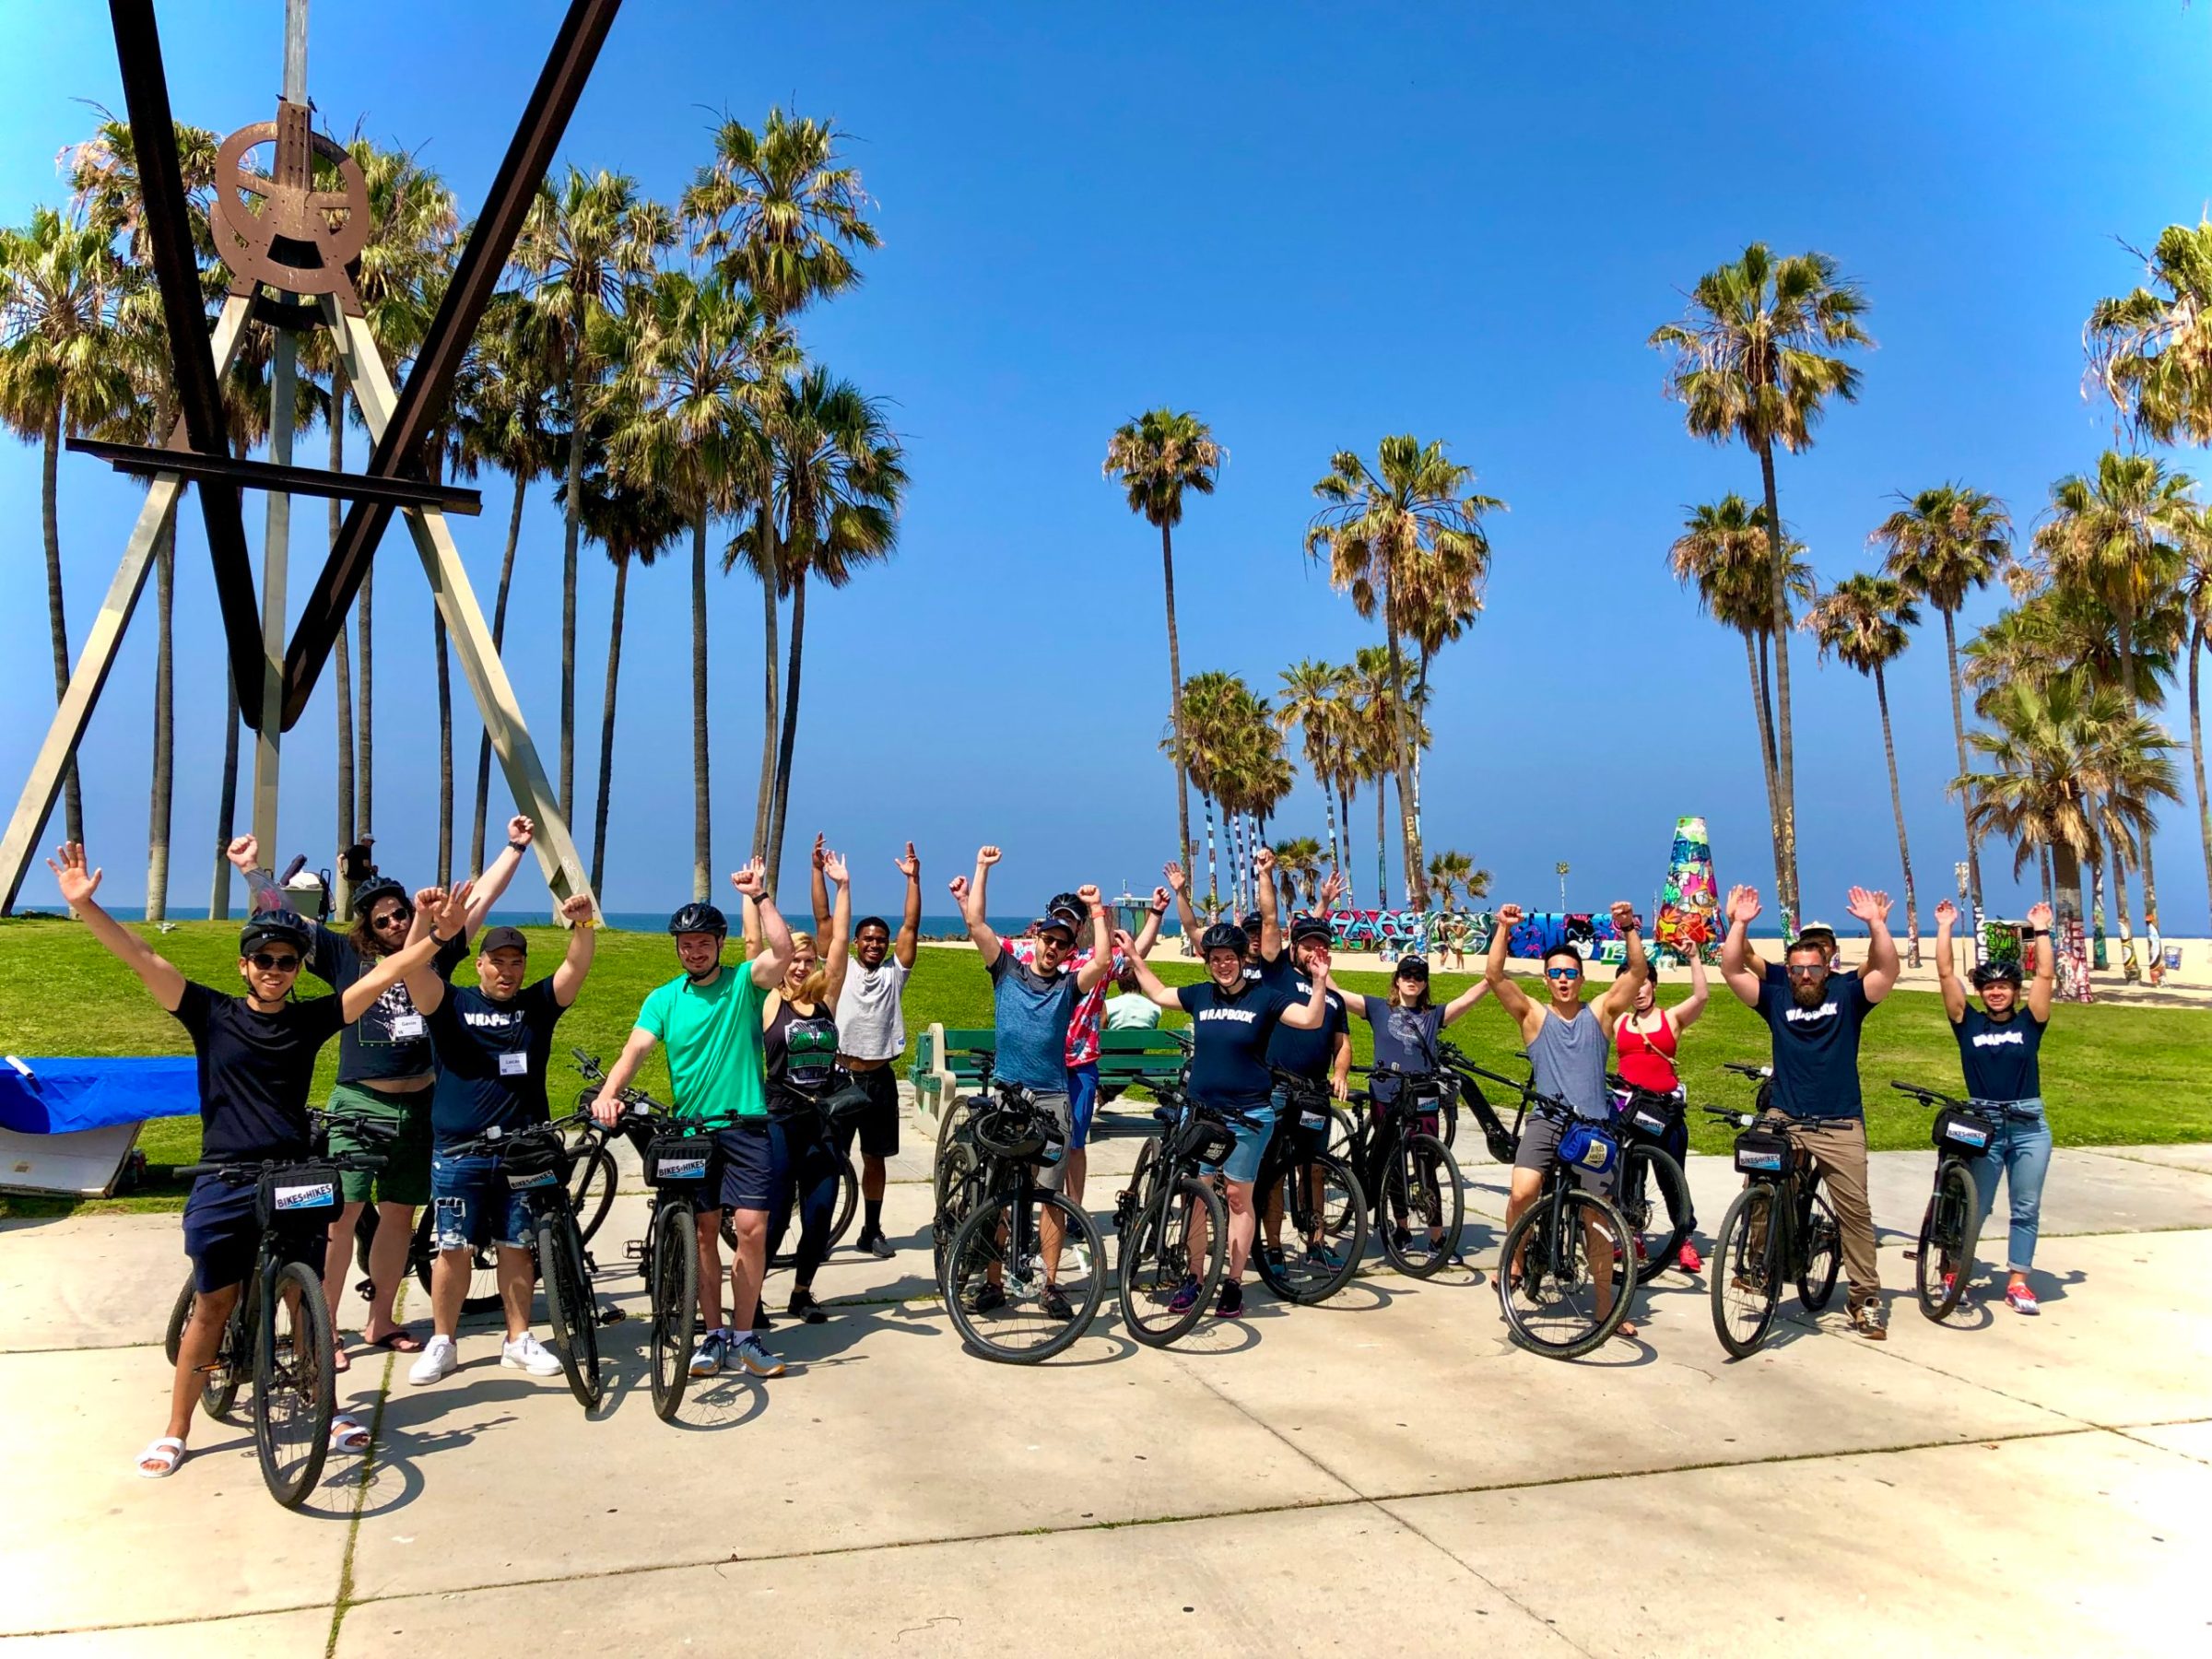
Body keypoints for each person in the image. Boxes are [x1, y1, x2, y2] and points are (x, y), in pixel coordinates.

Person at [45, 841, 460, 1478]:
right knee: (214, 1303)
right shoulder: (210, 1014)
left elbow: (381, 975)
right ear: (245, 967)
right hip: (225, 1175)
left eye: (286, 961)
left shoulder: (310, 1019)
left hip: (292, 1174)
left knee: (305, 1301)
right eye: (264, 960)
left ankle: (326, 1403)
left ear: (298, 968)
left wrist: (435, 936)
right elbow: (143, 956)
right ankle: (176, 1428)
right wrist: (86, 905)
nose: (275, 969)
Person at [224, 823, 535, 1368]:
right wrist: (251, 870)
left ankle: (382, 1319)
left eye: (399, 913)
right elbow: (286, 916)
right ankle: (323, 1326)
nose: (393, 923)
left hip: (423, 1105)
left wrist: (513, 848)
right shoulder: (344, 957)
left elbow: (480, 897)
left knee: (397, 1214)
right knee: (340, 1216)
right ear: (368, 925)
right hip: (360, 1102)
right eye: (382, 917)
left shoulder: (436, 950)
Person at [589, 863, 794, 1380]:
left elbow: (784, 952)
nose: (694, 950)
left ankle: (745, 1335)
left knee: (751, 1228)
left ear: (720, 943)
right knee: (702, 1233)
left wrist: (761, 896)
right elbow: (634, 1049)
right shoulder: (664, 998)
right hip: (690, 1132)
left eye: (703, 942)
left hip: (746, 1123)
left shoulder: (744, 983)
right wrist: (609, 1095)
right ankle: (712, 1335)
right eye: (685, 943)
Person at [399, 891, 600, 1385]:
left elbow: (574, 971)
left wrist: (583, 926)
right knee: (452, 1247)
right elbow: (410, 971)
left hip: (522, 1152)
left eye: (516, 963)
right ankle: (443, 1341)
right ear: (481, 964)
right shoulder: (451, 1001)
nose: (507, 972)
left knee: (517, 1244)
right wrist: (427, 924)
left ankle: (518, 1340)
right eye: (497, 962)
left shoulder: (535, 1007)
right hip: (458, 1150)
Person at [1118, 919, 1335, 1317]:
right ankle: (1195, 1277)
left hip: (1249, 1116)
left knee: (1238, 1198)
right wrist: (1134, 957)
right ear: (1208, 962)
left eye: (1229, 958)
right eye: (1215, 959)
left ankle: (1233, 1283)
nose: (1223, 965)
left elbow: (1310, 1020)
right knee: (1197, 1197)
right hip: (1204, 1114)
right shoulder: (1201, 996)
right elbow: (1161, 993)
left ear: (1240, 959)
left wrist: (1320, 981)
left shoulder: (1264, 998)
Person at [1719, 884, 1900, 1341]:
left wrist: (1877, 923)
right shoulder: (1776, 998)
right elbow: (1731, 968)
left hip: (1840, 1121)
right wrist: (1738, 921)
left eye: (1812, 968)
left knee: (1854, 1212)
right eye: (1796, 969)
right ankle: (1761, 1266)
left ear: (1826, 967)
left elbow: (1888, 970)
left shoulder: (1849, 997)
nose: (1803, 975)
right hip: (1786, 1116)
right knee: (1759, 1181)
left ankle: (1865, 1300)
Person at [950, 847, 1116, 1317]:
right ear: (1037, 936)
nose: (1053, 948)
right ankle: (994, 1281)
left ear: (1069, 950)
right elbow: (977, 923)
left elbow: (1103, 960)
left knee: (1050, 1195)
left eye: (1063, 943)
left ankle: (1047, 1286)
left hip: (1052, 1099)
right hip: (1007, 1095)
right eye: (1049, 938)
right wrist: (982, 870)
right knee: (1000, 1192)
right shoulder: (1006, 971)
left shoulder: (1069, 986)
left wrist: (1099, 910)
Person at [1485, 900, 1649, 1339]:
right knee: (1523, 1191)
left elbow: (1636, 973)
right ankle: (1515, 1257)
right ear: (1545, 978)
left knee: (1599, 1219)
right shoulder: (1534, 1015)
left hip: (1593, 1126)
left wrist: (1630, 927)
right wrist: (1503, 928)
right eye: (1555, 973)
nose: (1562, 979)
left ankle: (1603, 1309)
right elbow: (1495, 977)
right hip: (1548, 1120)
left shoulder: (1599, 1014)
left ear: (1582, 977)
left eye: (1570, 973)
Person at [994, 882, 1168, 1208]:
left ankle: (1070, 1209)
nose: (1063, 926)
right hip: (1037, 1068)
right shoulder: (1030, 952)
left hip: (1078, 1066)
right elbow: (991, 944)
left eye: (1071, 920)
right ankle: (1025, 1207)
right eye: (1057, 918)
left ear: (1081, 926)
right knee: (1029, 1143)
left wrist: (1156, 913)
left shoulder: (1093, 960)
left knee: (1073, 1143)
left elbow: (1135, 954)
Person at [1935, 899, 2056, 1314]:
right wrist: (1946, 926)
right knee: (1976, 1203)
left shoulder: (2030, 1021)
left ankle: (2019, 1280)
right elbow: (1946, 973)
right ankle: (1955, 1271)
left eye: (2004, 986)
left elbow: (2046, 973)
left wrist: (2041, 929)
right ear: (1982, 993)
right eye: (1989, 987)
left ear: (2015, 992)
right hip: (1984, 1121)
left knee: (2026, 1206)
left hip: (2028, 1122)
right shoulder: (1967, 1022)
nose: (1998, 991)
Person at [750, 846, 854, 1324]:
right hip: (778, 1120)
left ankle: (802, 1291)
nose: (799, 965)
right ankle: (751, 1302)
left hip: (822, 1123)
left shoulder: (825, 997)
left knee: (818, 1213)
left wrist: (843, 888)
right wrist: (755, 897)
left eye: (806, 958)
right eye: (794, 957)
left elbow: (840, 949)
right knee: (770, 1221)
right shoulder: (771, 1002)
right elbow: (756, 949)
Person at [822, 838, 922, 1258]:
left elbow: (911, 927)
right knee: (831, 1162)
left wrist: (914, 880)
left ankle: (871, 1229)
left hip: (880, 1080)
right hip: (841, 1077)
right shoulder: (840, 970)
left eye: (881, 939)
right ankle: (819, 1236)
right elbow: (825, 920)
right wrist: (819, 875)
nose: (876, 944)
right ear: (856, 943)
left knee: (875, 1160)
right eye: (868, 938)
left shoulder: (894, 976)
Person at [1611, 939, 1712, 1273]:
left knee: (1672, 1177)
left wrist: (1695, 957)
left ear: (1653, 983)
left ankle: (1684, 1240)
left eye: (1643, 983)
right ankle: (1632, 1236)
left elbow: (1701, 997)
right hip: (1629, 1113)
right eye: (1630, 986)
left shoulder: (1671, 1019)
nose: (1638, 992)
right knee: (1630, 1177)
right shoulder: (1618, 1022)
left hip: (1665, 1113)